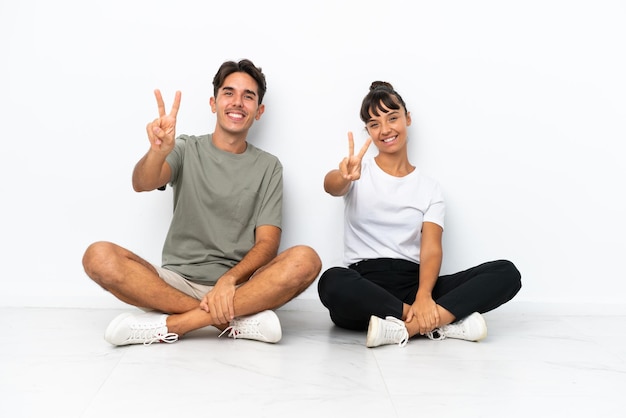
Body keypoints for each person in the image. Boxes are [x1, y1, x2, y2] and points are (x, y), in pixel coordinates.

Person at [83, 59, 321, 346]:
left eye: (249, 96)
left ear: (259, 111)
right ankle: (234, 320)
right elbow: (141, 183)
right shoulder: (186, 148)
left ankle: (177, 324)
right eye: (229, 93)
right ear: (213, 102)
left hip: (239, 287)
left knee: (306, 260)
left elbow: (267, 244)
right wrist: (158, 152)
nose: (238, 103)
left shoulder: (269, 167)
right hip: (175, 283)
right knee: (98, 256)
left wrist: (228, 281)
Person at [318, 81, 521, 348]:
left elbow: (431, 249)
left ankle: (408, 328)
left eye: (392, 118)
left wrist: (424, 295)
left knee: (506, 273)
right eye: (374, 123)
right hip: (367, 286)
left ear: (407, 118)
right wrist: (344, 176)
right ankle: (438, 322)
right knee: (332, 281)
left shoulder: (429, 188)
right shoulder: (358, 172)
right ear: (367, 130)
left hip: (414, 283)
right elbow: (331, 186)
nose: (385, 129)